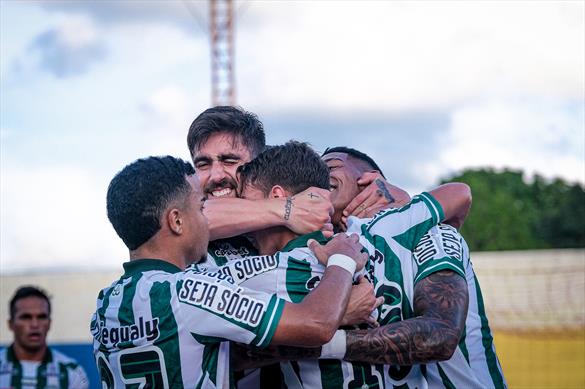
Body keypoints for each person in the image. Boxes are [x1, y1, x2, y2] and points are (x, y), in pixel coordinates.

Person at [193, 141, 472, 388]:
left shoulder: (264, 274)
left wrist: (320, 331)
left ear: (276, 196)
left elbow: (201, 342)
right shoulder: (385, 229)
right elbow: (458, 193)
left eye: (245, 198)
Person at [91, 155, 368, 388]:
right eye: (201, 207)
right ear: (176, 221)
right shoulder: (190, 292)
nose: (207, 218)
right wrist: (342, 259)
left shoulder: (105, 305)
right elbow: (315, 324)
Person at [322, 146, 507, 389]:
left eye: (331, 166)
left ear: (369, 178)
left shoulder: (430, 231)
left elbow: (439, 336)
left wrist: (314, 342)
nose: (319, 174)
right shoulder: (333, 255)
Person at [187, 106, 334, 266]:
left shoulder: (311, 215)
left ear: (257, 162)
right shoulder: (172, 210)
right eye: (203, 164)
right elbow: (185, 221)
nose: (216, 175)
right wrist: (287, 210)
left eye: (229, 161)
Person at [0, 286, 89, 389]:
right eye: (26, 317)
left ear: (49, 323)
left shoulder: (72, 373)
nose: (35, 324)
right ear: (10, 324)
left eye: (42, 317)